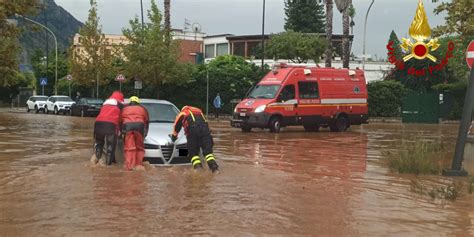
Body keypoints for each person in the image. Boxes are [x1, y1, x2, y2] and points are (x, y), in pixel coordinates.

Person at [170, 106, 219, 172]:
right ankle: (215, 169)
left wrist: (173, 137)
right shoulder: (199, 111)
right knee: (208, 153)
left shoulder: (183, 113)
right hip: (205, 130)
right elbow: (205, 123)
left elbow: (177, 126)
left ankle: (198, 170)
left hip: (193, 131)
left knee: (193, 154)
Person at [92, 91, 124, 165]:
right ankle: (108, 167)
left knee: (99, 144)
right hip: (111, 124)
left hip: (98, 123)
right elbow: (121, 119)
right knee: (110, 147)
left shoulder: (105, 103)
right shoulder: (120, 104)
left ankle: (96, 161)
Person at [121, 96, 149, 171]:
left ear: (130, 102)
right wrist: (145, 133)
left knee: (129, 148)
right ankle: (138, 164)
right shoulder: (143, 109)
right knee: (139, 147)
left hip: (128, 127)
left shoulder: (124, 108)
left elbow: (120, 121)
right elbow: (146, 121)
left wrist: (122, 132)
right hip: (139, 127)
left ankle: (129, 166)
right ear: (138, 102)